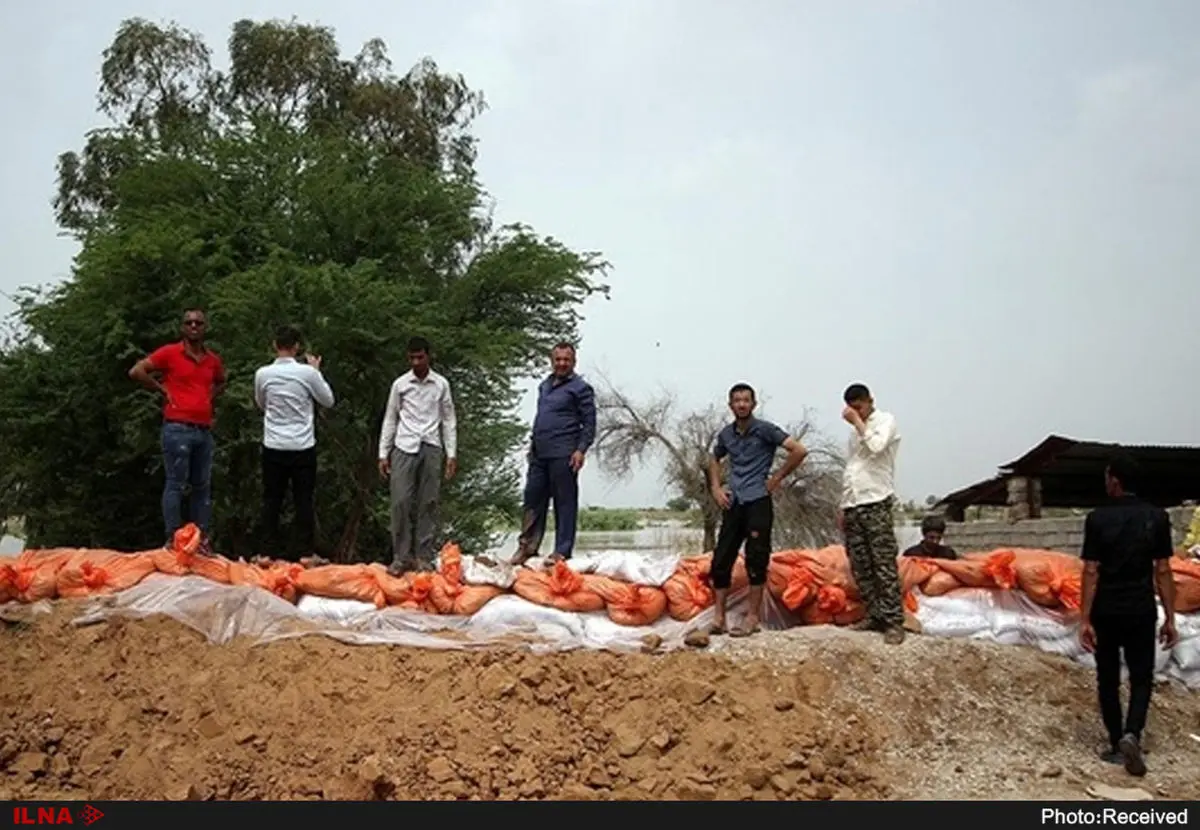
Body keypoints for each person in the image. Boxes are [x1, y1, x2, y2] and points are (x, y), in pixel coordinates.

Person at [1078, 453, 1178, 778]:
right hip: (1140, 609)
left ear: (1116, 482)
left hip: (1107, 609)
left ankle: (1114, 744)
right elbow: (1163, 571)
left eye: (1107, 477)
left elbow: (1091, 571)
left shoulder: (1096, 519)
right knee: (1141, 677)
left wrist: (1085, 619)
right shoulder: (1157, 518)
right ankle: (1133, 733)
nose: (1105, 483)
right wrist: (1171, 617)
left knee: (1107, 677)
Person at [707, 383, 809, 637]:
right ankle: (719, 618)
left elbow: (799, 450)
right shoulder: (726, 435)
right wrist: (716, 487)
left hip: (758, 501)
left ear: (754, 404)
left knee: (756, 559)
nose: (741, 404)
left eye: (746, 400)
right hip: (734, 502)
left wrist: (778, 477)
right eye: (737, 401)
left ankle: (752, 617)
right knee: (721, 560)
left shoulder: (765, 430)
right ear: (730, 405)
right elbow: (713, 458)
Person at [129, 308, 226, 551]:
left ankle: (200, 539)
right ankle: (173, 537)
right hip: (177, 427)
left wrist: (207, 399)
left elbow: (221, 381)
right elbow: (137, 371)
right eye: (189, 323)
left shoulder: (212, 360)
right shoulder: (170, 353)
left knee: (202, 485)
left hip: (203, 429)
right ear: (182, 328)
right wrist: (160, 389)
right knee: (176, 483)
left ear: (205, 328)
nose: (194, 326)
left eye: (198, 323)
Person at [252, 325, 335, 564]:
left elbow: (261, 403)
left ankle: (266, 553)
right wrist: (316, 371)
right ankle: (306, 554)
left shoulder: (263, 374)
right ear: (297, 347)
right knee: (303, 500)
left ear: (274, 345)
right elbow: (328, 400)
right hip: (302, 444)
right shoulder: (307, 374)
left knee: (271, 499)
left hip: (273, 443)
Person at [378, 337, 457, 576]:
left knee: (428, 502)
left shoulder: (440, 384)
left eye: (420, 357)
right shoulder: (400, 385)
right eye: (412, 358)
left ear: (428, 356)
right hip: (404, 445)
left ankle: (423, 556)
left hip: (431, 445)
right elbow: (391, 418)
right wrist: (383, 452)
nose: (416, 362)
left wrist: (451, 453)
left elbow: (448, 419)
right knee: (400, 501)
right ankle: (401, 557)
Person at [513, 342, 596, 565]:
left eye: (566, 360)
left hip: (564, 453)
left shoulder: (581, 388)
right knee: (532, 499)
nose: (561, 364)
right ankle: (527, 547)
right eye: (557, 359)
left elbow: (589, 423)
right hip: (540, 454)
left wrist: (581, 450)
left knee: (564, 502)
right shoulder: (544, 386)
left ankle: (562, 551)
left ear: (573, 362)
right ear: (552, 361)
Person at [837, 382, 906, 645]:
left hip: (876, 500)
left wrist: (857, 422)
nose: (856, 412)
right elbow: (853, 468)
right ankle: (874, 614)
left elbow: (877, 447)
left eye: (859, 407)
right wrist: (844, 504)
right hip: (854, 502)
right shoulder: (855, 433)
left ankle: (893, 621)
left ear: (869, 401)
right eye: (851, 409)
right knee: (860, 563)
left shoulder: (884, 421)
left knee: (883, 562)